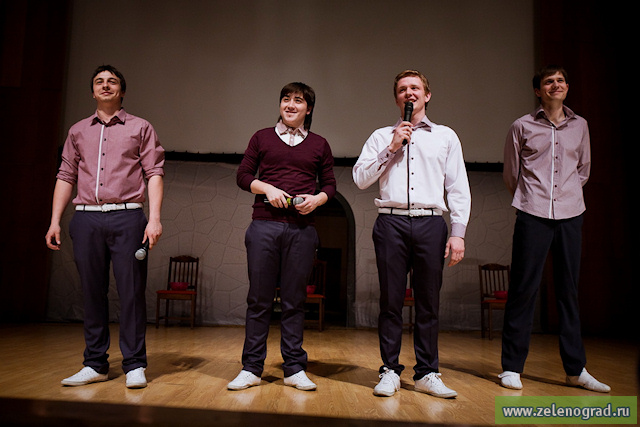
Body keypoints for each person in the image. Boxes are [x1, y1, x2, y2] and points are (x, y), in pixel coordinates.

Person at [353, 70, 471, 398]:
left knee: (428, 302)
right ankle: (390, 370)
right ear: (397, 98)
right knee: (391, 300)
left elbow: (458, 186)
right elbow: (360, 179)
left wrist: (458, 232)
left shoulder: (446, 136)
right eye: (403, 89)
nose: (409, 93)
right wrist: (391, 147)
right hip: (390, 223)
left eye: (415, 88)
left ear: (427, 95)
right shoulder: (381, 136)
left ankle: (427, 372)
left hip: (430, 223)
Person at [45, 65, 165, 389]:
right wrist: (55, 221)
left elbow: (154, 172)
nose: (105, 85)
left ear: (122, 91)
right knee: (92, 292)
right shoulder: (77, 131)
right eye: (99, 81)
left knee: (131, 292)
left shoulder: (140, 127)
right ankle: (95, 363)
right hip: (87, 218)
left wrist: (154, 218)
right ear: (93, 91)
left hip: (128, 217)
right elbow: (65, 175)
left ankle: (135, 364)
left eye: (112, 81)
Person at [499, 65, 610, 393]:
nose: (556, 85)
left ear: (567, 87)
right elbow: (512, 173)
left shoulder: (581, 126)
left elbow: (583, 170)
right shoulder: (522, 126)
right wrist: (533, 199)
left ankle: (575, 370)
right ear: (539, 91)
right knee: (523, 290)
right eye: (549, 81)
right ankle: (511, 367)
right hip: (532, 213)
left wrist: (565, 197)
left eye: (560, 80)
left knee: (568, 291)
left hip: (571, 214)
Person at [229, 82, 336, 391]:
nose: (290, 104)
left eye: (298, 100)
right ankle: (251, 368)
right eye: (286, 99)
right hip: (264, 226)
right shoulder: (261, 137)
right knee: (259, 299)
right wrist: (267, 188)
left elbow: (330, 185)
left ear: (308, 109)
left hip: (302, 230)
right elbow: (243, 176)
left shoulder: (319, 144)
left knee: (294, 300)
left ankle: (294, 368)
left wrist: (317, 199)